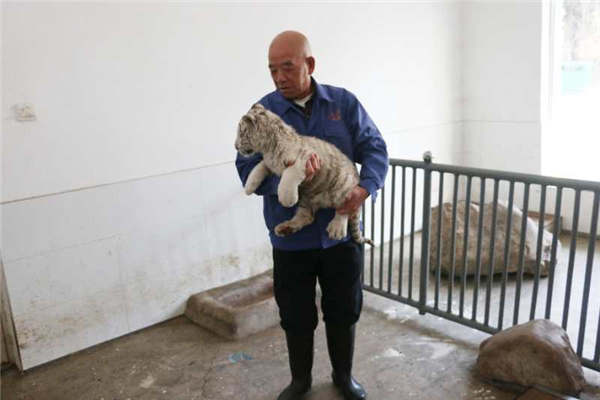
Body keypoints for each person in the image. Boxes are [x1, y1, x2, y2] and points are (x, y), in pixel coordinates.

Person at [235, 31, 388, 400]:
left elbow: (375, 148)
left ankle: (343, 376)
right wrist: (289, 186)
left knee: (343, 309)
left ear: (310, 64)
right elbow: (246, 168)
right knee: (296, 315)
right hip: (292, 238)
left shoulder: (343, 103)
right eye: (272, 70)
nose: (279, 77)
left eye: (287, 67)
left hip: (339, 229)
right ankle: (300, 381)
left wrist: (363, 189)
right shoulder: (262, 113)